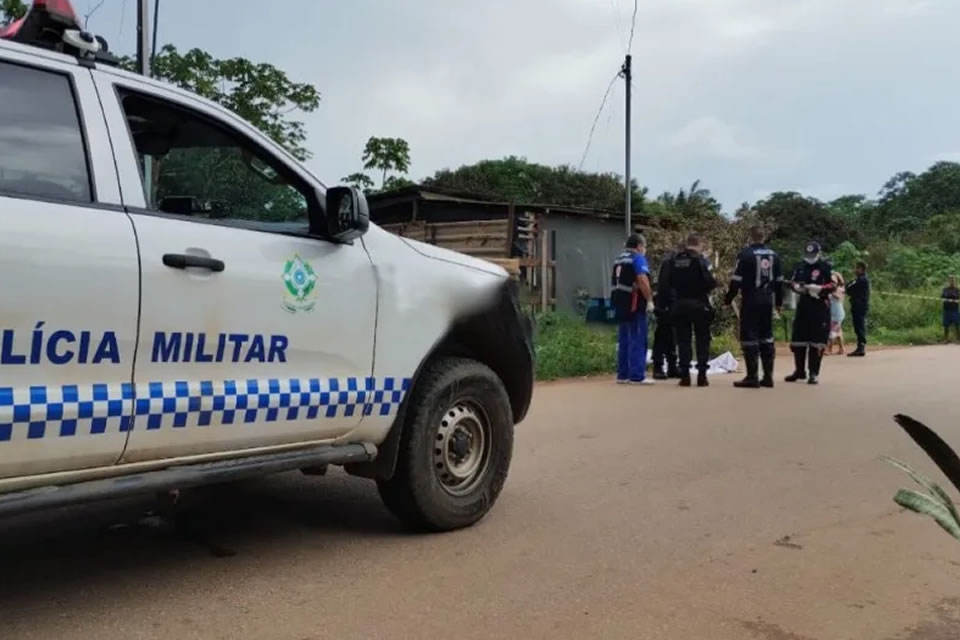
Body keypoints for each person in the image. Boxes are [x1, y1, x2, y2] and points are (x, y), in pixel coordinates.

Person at [724, 225, 783, 388]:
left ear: (751, 237)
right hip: (767, 300)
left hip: (751, 300)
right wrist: (779, 303)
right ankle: (768, 377)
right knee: (767, 336)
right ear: (764, 237)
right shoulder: (775, 256)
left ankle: (752, 376)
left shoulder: (745, 255)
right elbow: (779, 282)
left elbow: (736, 280)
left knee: (749, 336)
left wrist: (728, 299)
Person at [659, 233, 717, 387]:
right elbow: (710, 282)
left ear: (687, 244)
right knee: (702, 340)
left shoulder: (674, 261)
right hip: (699, 304)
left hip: (680, 305)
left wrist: (667, 304)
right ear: (699, 245)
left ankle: (685, 375)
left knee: (683, 341)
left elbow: (664, 284)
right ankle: (702, 376)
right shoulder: (700, 261)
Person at [786, 241, 835, 385]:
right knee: (798, 340)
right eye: (808, 254)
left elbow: (833, 285)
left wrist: (818, 288)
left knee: (817, 341)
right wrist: (796, 287)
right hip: (804, 306)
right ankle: (799, 371)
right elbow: (793, 282)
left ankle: (814, 373)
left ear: (818, 254)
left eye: (812, 255)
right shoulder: (800, 266)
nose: (810, 257)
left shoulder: (825, 267)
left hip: (820, 306)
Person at [611, 233, 655, 385]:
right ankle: (637, 375)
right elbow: (642, 279)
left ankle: (623, 375)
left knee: (624, 339)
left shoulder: (619, 259)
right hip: (634, 303)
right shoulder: (637, 258)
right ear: (639, 246)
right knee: (637, 338)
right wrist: (649, 300)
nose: (645, 249)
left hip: (620, 302)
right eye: (644, 246)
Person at [651, 245, 682, 380]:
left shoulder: (674, 262)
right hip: (666, 305)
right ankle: (658, 366)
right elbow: (664, 285)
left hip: (673, 304)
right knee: (663, 336)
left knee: (673, 336)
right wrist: (667, 305)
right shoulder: (670, 263)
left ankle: (672, 366)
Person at [846, 261, 870, 357]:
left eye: (856, 268)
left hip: (859, 305)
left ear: (861, 269)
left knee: (859, 325)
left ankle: (861, 347)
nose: (854, 270)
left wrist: (850, 285)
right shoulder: (861, 279)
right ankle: (860, 346)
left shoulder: (861, 279)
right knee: (859, 325)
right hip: (859, 304)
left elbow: (848, 287)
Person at [826, 272, 846, 355]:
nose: (832, 283)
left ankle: (829, 349)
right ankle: (841, 348)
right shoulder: (830, 290)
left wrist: (831, 292)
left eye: (833, 281)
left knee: (832, 331)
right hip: (832, 313)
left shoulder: (840, 289)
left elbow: (839, 297)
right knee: (837, 331)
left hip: (838, 313)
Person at [942, 276, 960, 343]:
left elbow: (957, 296)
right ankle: (945, 339)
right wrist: (951, 295)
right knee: (946, 325)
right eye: (950, 281)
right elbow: (943, 296)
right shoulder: (945, 289)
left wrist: (950, 295)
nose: (952, 282)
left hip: (955, 309)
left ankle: (958, 339)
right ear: (948, 282)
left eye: (953, 281)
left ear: (955, 282)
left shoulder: (957, 289)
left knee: (957, 324)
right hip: (947, 309)